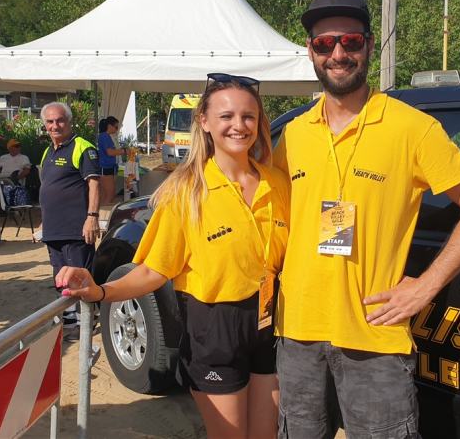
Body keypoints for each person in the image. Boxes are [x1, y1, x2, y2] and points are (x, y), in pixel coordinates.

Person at [272, 0, 460, 438]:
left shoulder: (412, 128)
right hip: (297, 333)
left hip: (375, 335)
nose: (338, 53)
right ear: (311, 52)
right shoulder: (294, 134)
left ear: (370, 46)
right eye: (324, 44)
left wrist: (427, 286)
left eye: (350, 42)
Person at [56, 74, 289, 439]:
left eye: (249, 116)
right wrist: (101, 291)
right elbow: (151, 270)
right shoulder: (186, 192)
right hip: (214, 328)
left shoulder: (277, 184)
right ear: (205, 122)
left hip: (267, 324)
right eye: (226, 116)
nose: (239, 126)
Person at [38, 102, 101, 331]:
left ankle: (88, 322)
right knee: (60, 277)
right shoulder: (48, 151)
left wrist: (92, 216)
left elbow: (94, 184)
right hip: (53, 229)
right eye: (50, 122)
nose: (55, 125)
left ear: (69, 121)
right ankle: (70, 322)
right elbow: (49, 187)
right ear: (45, 125)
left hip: (76, 228)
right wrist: (44, 219)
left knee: (80, 277)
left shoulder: (82, 147)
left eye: (60, 120)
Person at [97, 116, 128, 204]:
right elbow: (110, 152)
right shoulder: (104, 136)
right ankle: (105, 213)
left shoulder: (107, 136)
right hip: (105, 168)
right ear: (109, 126)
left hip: (109, 167)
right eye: (116, 127)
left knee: (105, 194)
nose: (117, 130)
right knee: (110, 194)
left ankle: (102, 213)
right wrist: (124, 151)